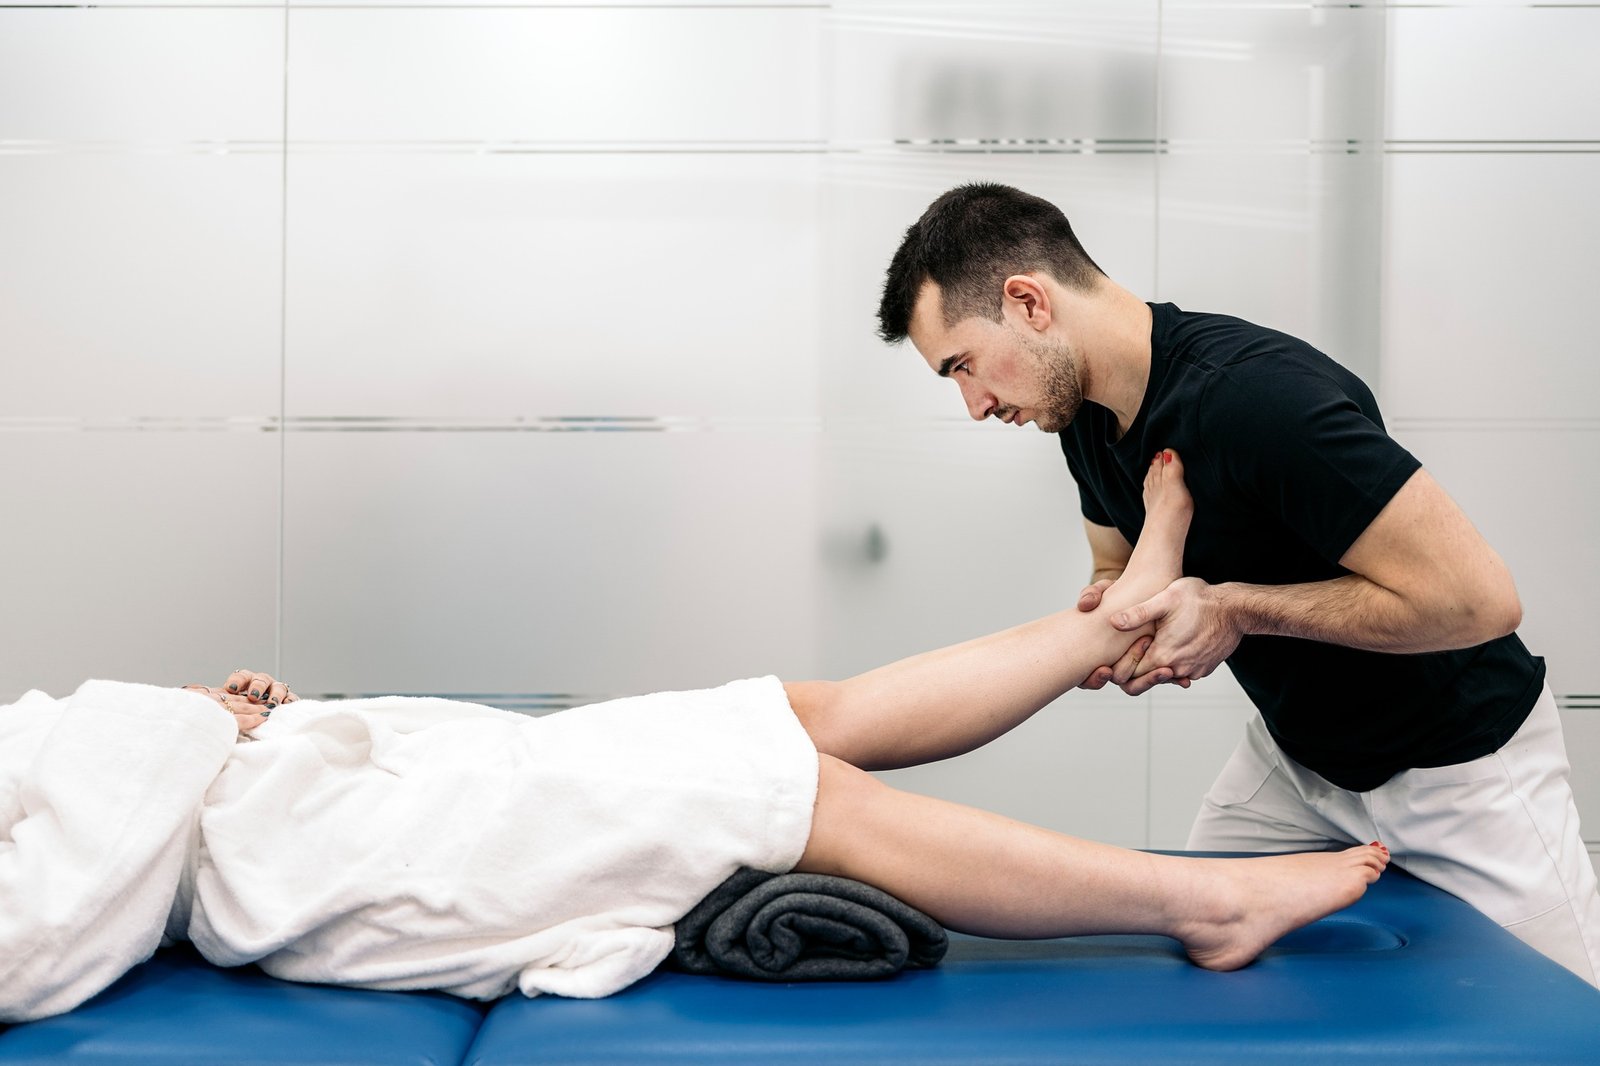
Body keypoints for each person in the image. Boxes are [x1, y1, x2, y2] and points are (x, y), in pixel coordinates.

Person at [0, 453, 1390, 1024]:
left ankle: (1114, 617)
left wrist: (229, 716)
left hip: (328, 778)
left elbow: (79, 768)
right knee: (790, 793)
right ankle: (1203, 903)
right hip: (332, 854)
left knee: (784, 714)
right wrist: (181, 738)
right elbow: (44, 933)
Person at [872, 181, 1600, 986]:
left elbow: (1480, 603)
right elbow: (1114, 568)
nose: (975, 405)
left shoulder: (1257, 400)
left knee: (1567, 1009)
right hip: (1299, 760)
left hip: (1461, 760)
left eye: (964, 366)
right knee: (1191, 935)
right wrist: (1136, 612)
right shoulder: (1080, 415)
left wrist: (1231, 608)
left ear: (1028, 303)